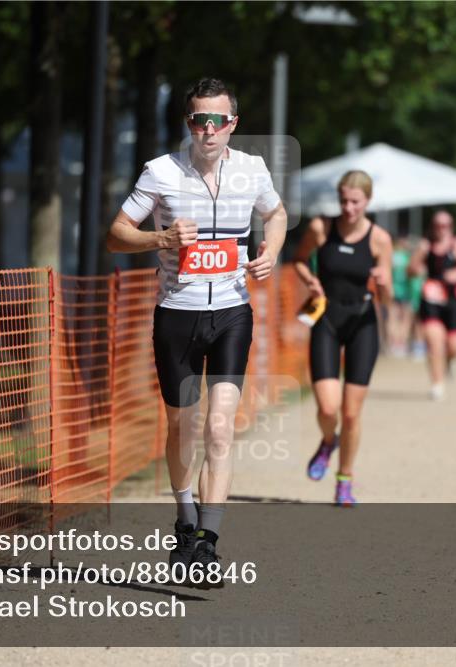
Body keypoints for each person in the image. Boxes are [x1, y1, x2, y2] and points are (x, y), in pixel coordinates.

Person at [105, 77, 287, 582]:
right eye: (197, 120)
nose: (207, 130)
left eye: (217, 121)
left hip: (231, 311)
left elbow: (276, 214)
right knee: (182, 428)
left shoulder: (252, 170)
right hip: (177, 313)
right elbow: (116, 236)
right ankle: (185, 520)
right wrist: (159, 237)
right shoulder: (161, 172)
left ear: (233, 124)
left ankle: (207, 542)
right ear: (188, 123)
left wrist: (270, 252)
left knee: (221, 427)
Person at [292, 170, 392, 506]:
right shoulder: (322, 227)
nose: (348, 208)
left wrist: (383, 283)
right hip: (327, 319)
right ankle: (327, 441)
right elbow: (299, 260)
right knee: (327, 407)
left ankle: (344, 479)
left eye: (355, 202)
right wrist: (310, 281)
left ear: (368, 201)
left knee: (351, 413)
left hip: (363, 322)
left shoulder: (380, 239)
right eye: (343, 201)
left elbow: (389, 298)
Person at [408, 210, 456, 400]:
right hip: (431, 300)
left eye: (445, 225)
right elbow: (411, 270)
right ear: (433, 227)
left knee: (454, 345)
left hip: (454, 300)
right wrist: (417, 267)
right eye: (438, 225)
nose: (442, 229)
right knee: (434, 343)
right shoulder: (425, 246)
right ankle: (437, 384)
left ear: (451, 226)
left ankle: (452, 359)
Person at [388, 237, 413, 357]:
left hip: (393, 291)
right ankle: (401, 344)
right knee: (405, 320)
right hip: (405, 291)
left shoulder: (391, 257)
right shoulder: (408, 257)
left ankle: (393, 345)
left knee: (392, 319)